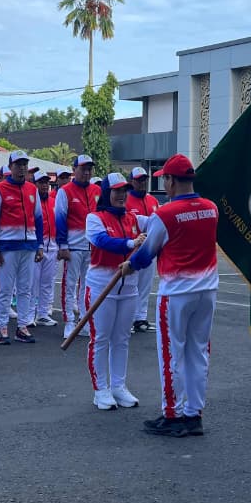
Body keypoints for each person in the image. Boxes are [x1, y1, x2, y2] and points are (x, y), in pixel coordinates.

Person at [121, 154, 217, 438]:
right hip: (207, 289)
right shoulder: (211, 208)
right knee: (198, 353)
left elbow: (148, 252)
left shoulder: (165, 214)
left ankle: (173, 414)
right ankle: (193, 413)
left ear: (172, 180)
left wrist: (129, 265)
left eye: (165, 178)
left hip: (176, 292)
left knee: (171, 354)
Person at [84, 173, 146, 410]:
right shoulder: (94, 217)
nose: (121, 195)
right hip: (102, 286)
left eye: (124, 191)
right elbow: (101, 241)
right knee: (100, 338)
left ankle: (119, 386)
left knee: (122, 339)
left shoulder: (134, 218)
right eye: (117, 190)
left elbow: (158, 222)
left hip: (129, 286)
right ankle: (100, 389)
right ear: (107, 193)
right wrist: (131, 243)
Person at [0, 151, 45, 345]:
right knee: (5, 289)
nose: (22, 168)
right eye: (18, 164)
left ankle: (22, 326)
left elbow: (38, 218)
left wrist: (39, 245)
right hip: (8, 247)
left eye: (24, 164)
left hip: (28, 246)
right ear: (10, 167)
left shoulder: (32, 189)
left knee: (25, 289)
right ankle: (2, 327)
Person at [55, 154, 100, 340]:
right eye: (83, 168)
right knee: (70, 284)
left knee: (88, 286)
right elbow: (60, 219)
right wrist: (63, 245)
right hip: (72, 247)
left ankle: (84, 320)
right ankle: (69, 322)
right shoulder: (65, 191)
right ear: (74, 170)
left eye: (89, 169)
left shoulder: (97, 190)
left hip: (92, 247)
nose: (86, 172)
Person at [125, 167, 160, 332]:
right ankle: (129, 319)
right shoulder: (126, 200)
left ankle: (141, 317)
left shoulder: (153, 200)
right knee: (131, 285)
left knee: (146, 285)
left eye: (144, 179)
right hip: (134, 248)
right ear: (132, 181)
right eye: (139, 180)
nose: (142, 182)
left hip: (150, 248)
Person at [32, 171, 60, 327]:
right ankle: (29, 315)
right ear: (35, 184)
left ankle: (42, 314)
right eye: (41, 182)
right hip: (37, 247)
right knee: (32, 283)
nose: (44, 185)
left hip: (52, 246)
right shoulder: (31, 202)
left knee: (47, 283)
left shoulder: (54, 201)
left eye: (46, 182)